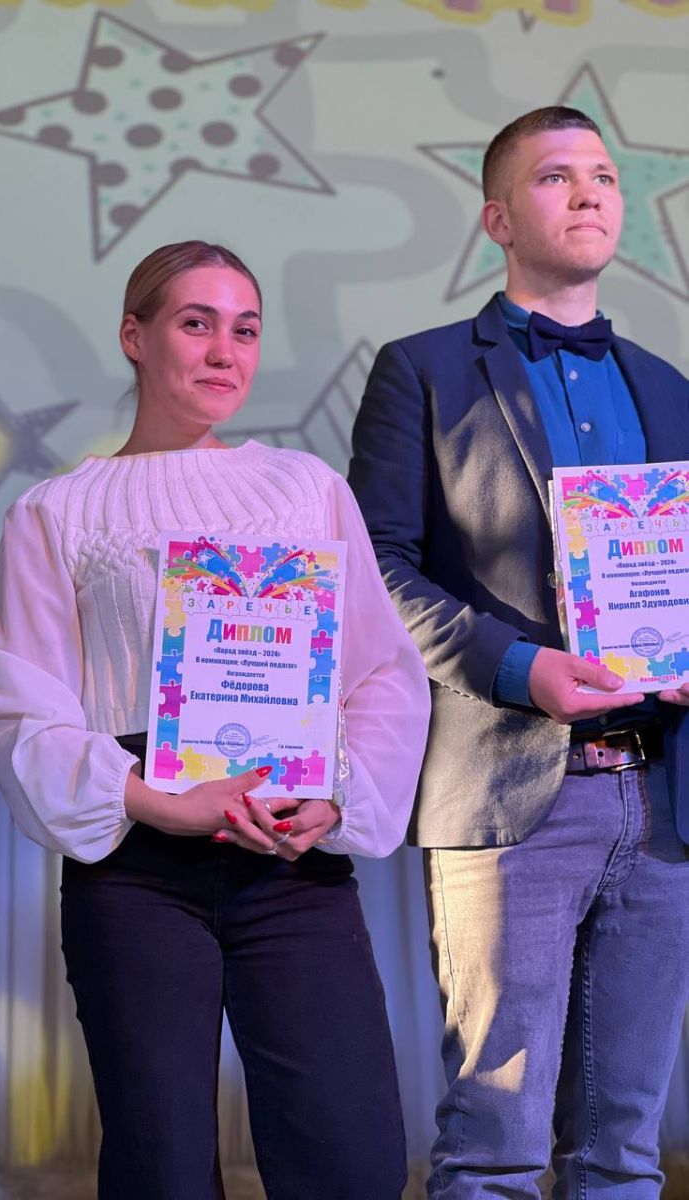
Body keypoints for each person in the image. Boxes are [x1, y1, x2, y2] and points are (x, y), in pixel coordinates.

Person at [0, 240, 430, 1199]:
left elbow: (381, 673)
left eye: (246, 330)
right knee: (162, 1170)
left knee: (350, 1162)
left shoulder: (306, 488)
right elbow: (22, 707)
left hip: (291, 855)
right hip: (139, 868)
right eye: (196, 323)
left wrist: (335, 799)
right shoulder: (56, 511)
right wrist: (157, 801)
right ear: (134, 336)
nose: (226, 351)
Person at [349, 106, 689, 1198]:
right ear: (497, 219)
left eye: (603, 175)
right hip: (509, 792)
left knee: (624, 1151)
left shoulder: (670, 385)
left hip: (662, 800)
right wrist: (520, 668)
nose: (588, 191)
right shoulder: (424, 371)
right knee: (494, 1147)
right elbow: (376, 572)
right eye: (555, 176)